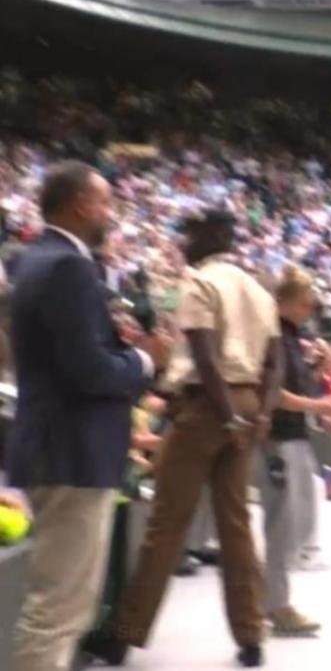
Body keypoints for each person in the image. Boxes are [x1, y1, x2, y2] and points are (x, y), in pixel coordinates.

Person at [84, 208, 283, 668]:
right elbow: (275, 364)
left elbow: (205, 358)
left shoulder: (199, 281)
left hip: (208, 407)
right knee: (235, 526)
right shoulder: (257, 288)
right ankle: (251, 636)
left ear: (213, 235)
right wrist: (260, 414)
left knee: (165, 525)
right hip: (249, 403)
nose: (181, 241)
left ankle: (123, 637)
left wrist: (228, 416)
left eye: (189, 233)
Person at [7, 161, 169, 671]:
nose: (111, 214)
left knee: (66, 605)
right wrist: (145, 360)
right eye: (104, 202)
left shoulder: (39, 259)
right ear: (79, 204)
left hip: (61, 445)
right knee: (58, 606)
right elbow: (88, 371)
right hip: (72, 451)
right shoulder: (68, 267)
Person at [260, 265, 331, 636]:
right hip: (278, 438)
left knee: (294, 523)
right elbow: (273, 394)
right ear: (285, 302)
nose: (310, 307)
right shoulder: (275, 338)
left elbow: (296, 386)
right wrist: (319, 408)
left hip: (294, 435)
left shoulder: (292, 337)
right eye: (304, 302)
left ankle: (272, 598)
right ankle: (276, 604)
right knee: (283, 525)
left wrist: (318, 414)